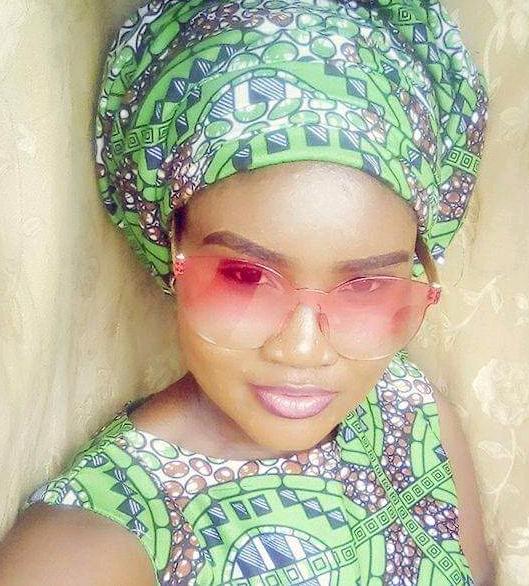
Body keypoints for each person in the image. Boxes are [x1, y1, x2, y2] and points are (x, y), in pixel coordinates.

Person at [0, 0, 496, 584]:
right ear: (169, 246)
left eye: (365, 285)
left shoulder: (411, 411)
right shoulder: (95, 539)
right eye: (245, 276)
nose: (302, 350)